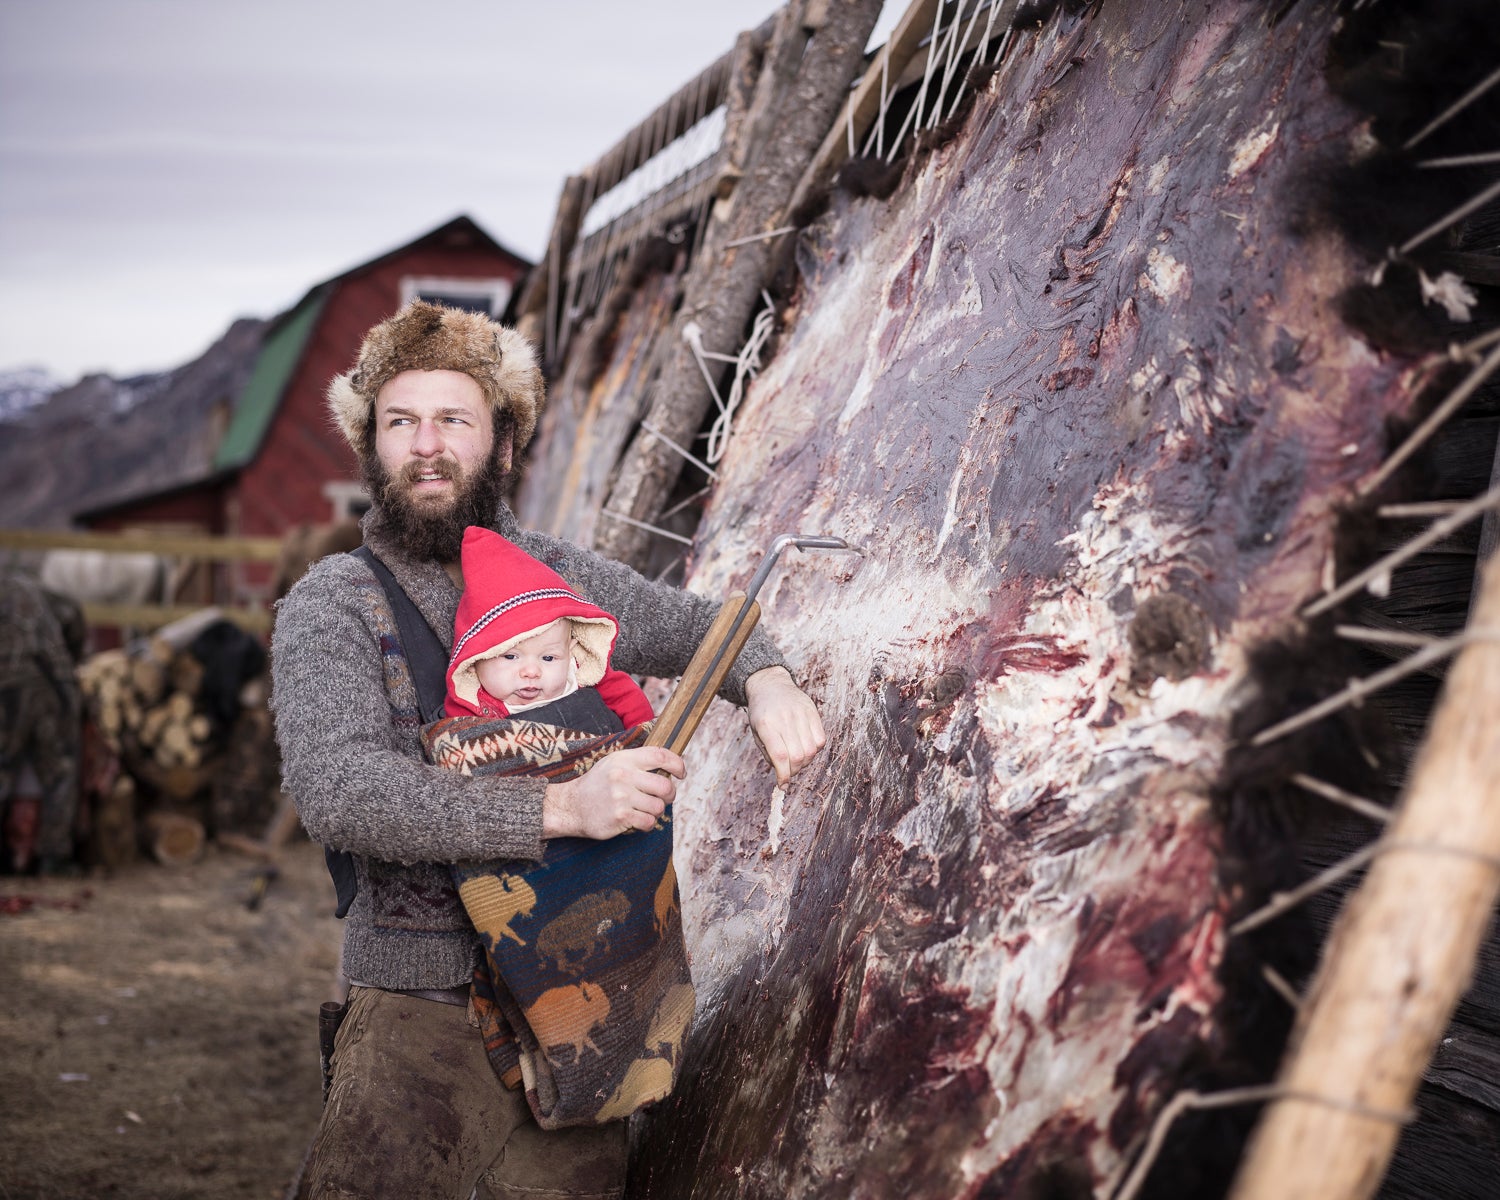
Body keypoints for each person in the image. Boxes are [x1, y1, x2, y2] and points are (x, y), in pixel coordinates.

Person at [270, 300, 824, 1200]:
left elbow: (699, 627)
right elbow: (342, 791)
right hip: (423, 1015)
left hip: (588, 1013)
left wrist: (765, 679)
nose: (426, 445)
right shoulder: (334, 605)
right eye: (400, 421)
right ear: (369, 443)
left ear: (503, 439)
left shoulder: (550, 579)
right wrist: (567, 806)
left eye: (454, 418)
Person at [444, 525, 655, 730]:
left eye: (548, 658)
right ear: (473, 662)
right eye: (510, 657)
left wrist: (647, 742)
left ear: (570, 651)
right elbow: (456, 748)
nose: (531, 672)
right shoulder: (470, 708)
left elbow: (630, 702)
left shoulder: (579, 674)